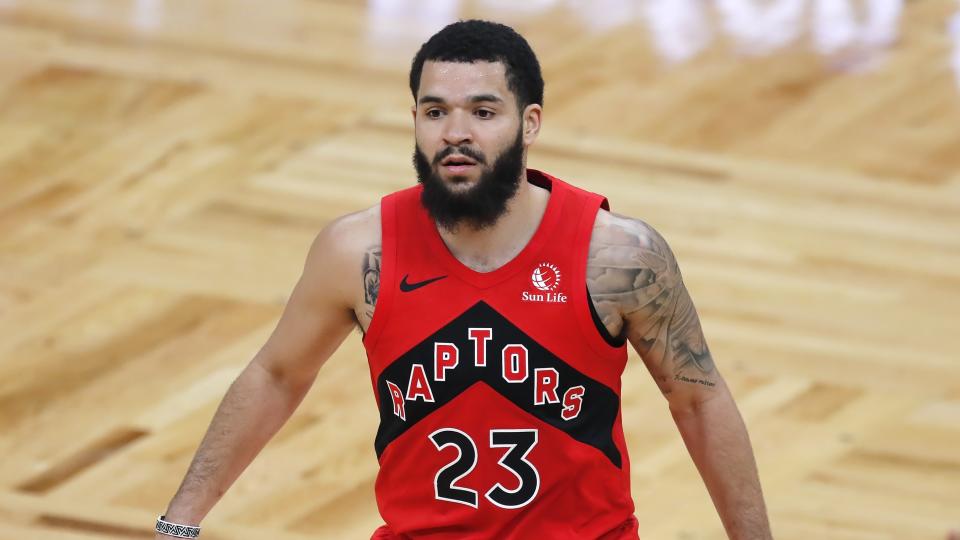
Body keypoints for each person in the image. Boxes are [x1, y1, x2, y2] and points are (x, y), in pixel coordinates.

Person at [154, 19, 771, 540]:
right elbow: (276, 374)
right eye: (435, 111)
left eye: (482, 111)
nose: (455, 133)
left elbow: (698, 399)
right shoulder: (357, 251)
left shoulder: (616, 255)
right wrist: (179, 524)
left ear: (529, 123)